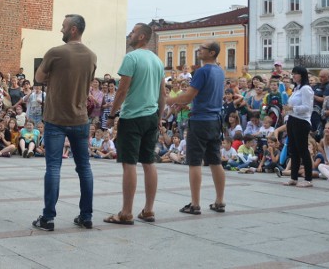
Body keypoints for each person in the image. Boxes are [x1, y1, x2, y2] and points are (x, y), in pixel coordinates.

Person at [32, 14, 97, 232]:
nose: (61, 29)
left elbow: (39, 78)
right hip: (80, 118)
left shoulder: (55, 52)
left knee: (53, 167)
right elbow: (86, 81)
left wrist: (54, 77)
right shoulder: (91, 56)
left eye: (63, 26)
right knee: (84, 168)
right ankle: (86, 216)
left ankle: (48, 218)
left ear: (73, 30)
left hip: (56, 119)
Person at [103, 23, 166, 224]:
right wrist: (159, 117)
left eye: (132, 32)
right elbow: (162, 93)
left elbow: (122, 91)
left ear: (140, 37)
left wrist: (112, 115)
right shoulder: (157, 60)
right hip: (151, 115)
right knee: (149, 162)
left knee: (129, 163)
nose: (129, 34)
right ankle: (148, 210)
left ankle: (126, 212)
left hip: (132, 116)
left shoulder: (131, 58)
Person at [164, 40, 225, 215]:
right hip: (215, 120)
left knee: (194, 161)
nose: (199, 50)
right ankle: (220, 201)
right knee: (215, 161)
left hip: (200, 120)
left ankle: (195, 203)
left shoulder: (202, 71)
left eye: (203, 49)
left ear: (212, 53)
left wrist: (170, 100)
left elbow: (189, 95)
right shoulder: (219, 71)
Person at [283, 66, 315, 188]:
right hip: (292, 119)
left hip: (302, 121)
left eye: (296, 74)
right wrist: (288, 110)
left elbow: (307, 107)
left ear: (302, 75)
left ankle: (308, 178)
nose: (294, 76)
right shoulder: (296, 88)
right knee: (293, 150)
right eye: (293, 74)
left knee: (303, 150)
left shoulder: (306, 89)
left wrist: (292, 108)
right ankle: (293, 177)